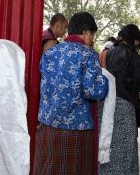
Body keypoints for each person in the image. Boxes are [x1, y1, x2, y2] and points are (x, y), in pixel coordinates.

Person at [33, 12, 108, 174]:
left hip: (48, 124)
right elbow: (94, 91)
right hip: (76, 127)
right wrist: (105, 80)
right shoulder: (88, 54)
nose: (92, 39)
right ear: (87, 32)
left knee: (48, 169)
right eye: (92, 35)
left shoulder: (51, 52)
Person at [98, 24, 140, 175]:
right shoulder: (132, 56)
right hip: (124, 108)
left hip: (105, 107)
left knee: (108, 147)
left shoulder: (107, 54)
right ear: (135, 41)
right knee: (124, 150)